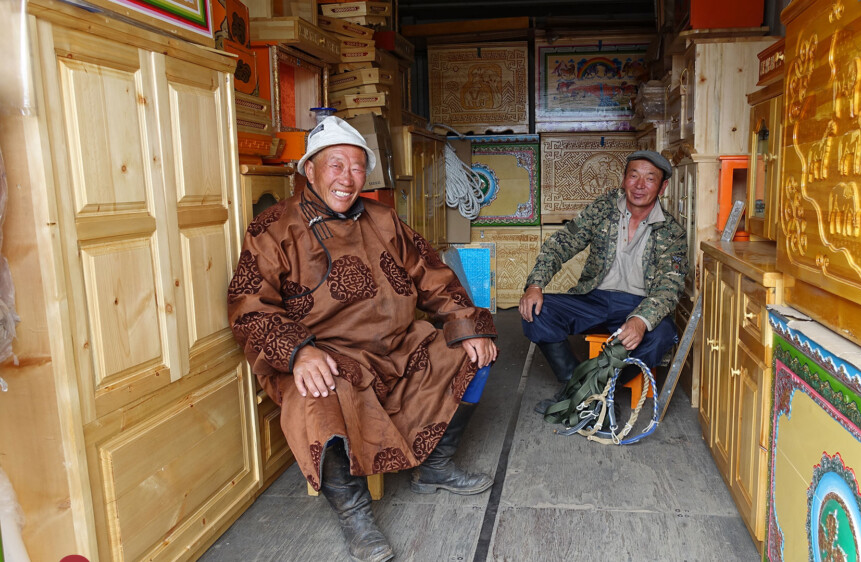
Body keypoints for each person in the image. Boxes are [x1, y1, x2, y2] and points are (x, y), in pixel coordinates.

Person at [228, 116, 498, 562]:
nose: (347, 178)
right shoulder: (274, 227)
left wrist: (463, 320)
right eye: (335, 165)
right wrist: (298, 352)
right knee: (314, 396)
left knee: (474, 349)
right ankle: (355, 514)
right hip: (328, 355)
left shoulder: (382, 218)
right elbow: (247, 305)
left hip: (398, 345)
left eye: (356, 168)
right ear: (309, 170)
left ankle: (434, 464)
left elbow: (430, 274)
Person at [519, 150, 687, 412]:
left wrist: (641, 320)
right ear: (623, 179)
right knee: (537, 310)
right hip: (594, 298)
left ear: (663, 186)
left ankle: (593, 391)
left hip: (638, 306)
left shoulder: (672, 232)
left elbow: (670, 286)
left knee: (664, 333)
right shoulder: (603, 209)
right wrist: (534, 285)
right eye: (634, 176)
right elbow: (561, 243)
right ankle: (577, 386)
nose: (640, 185)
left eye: (650, 179)